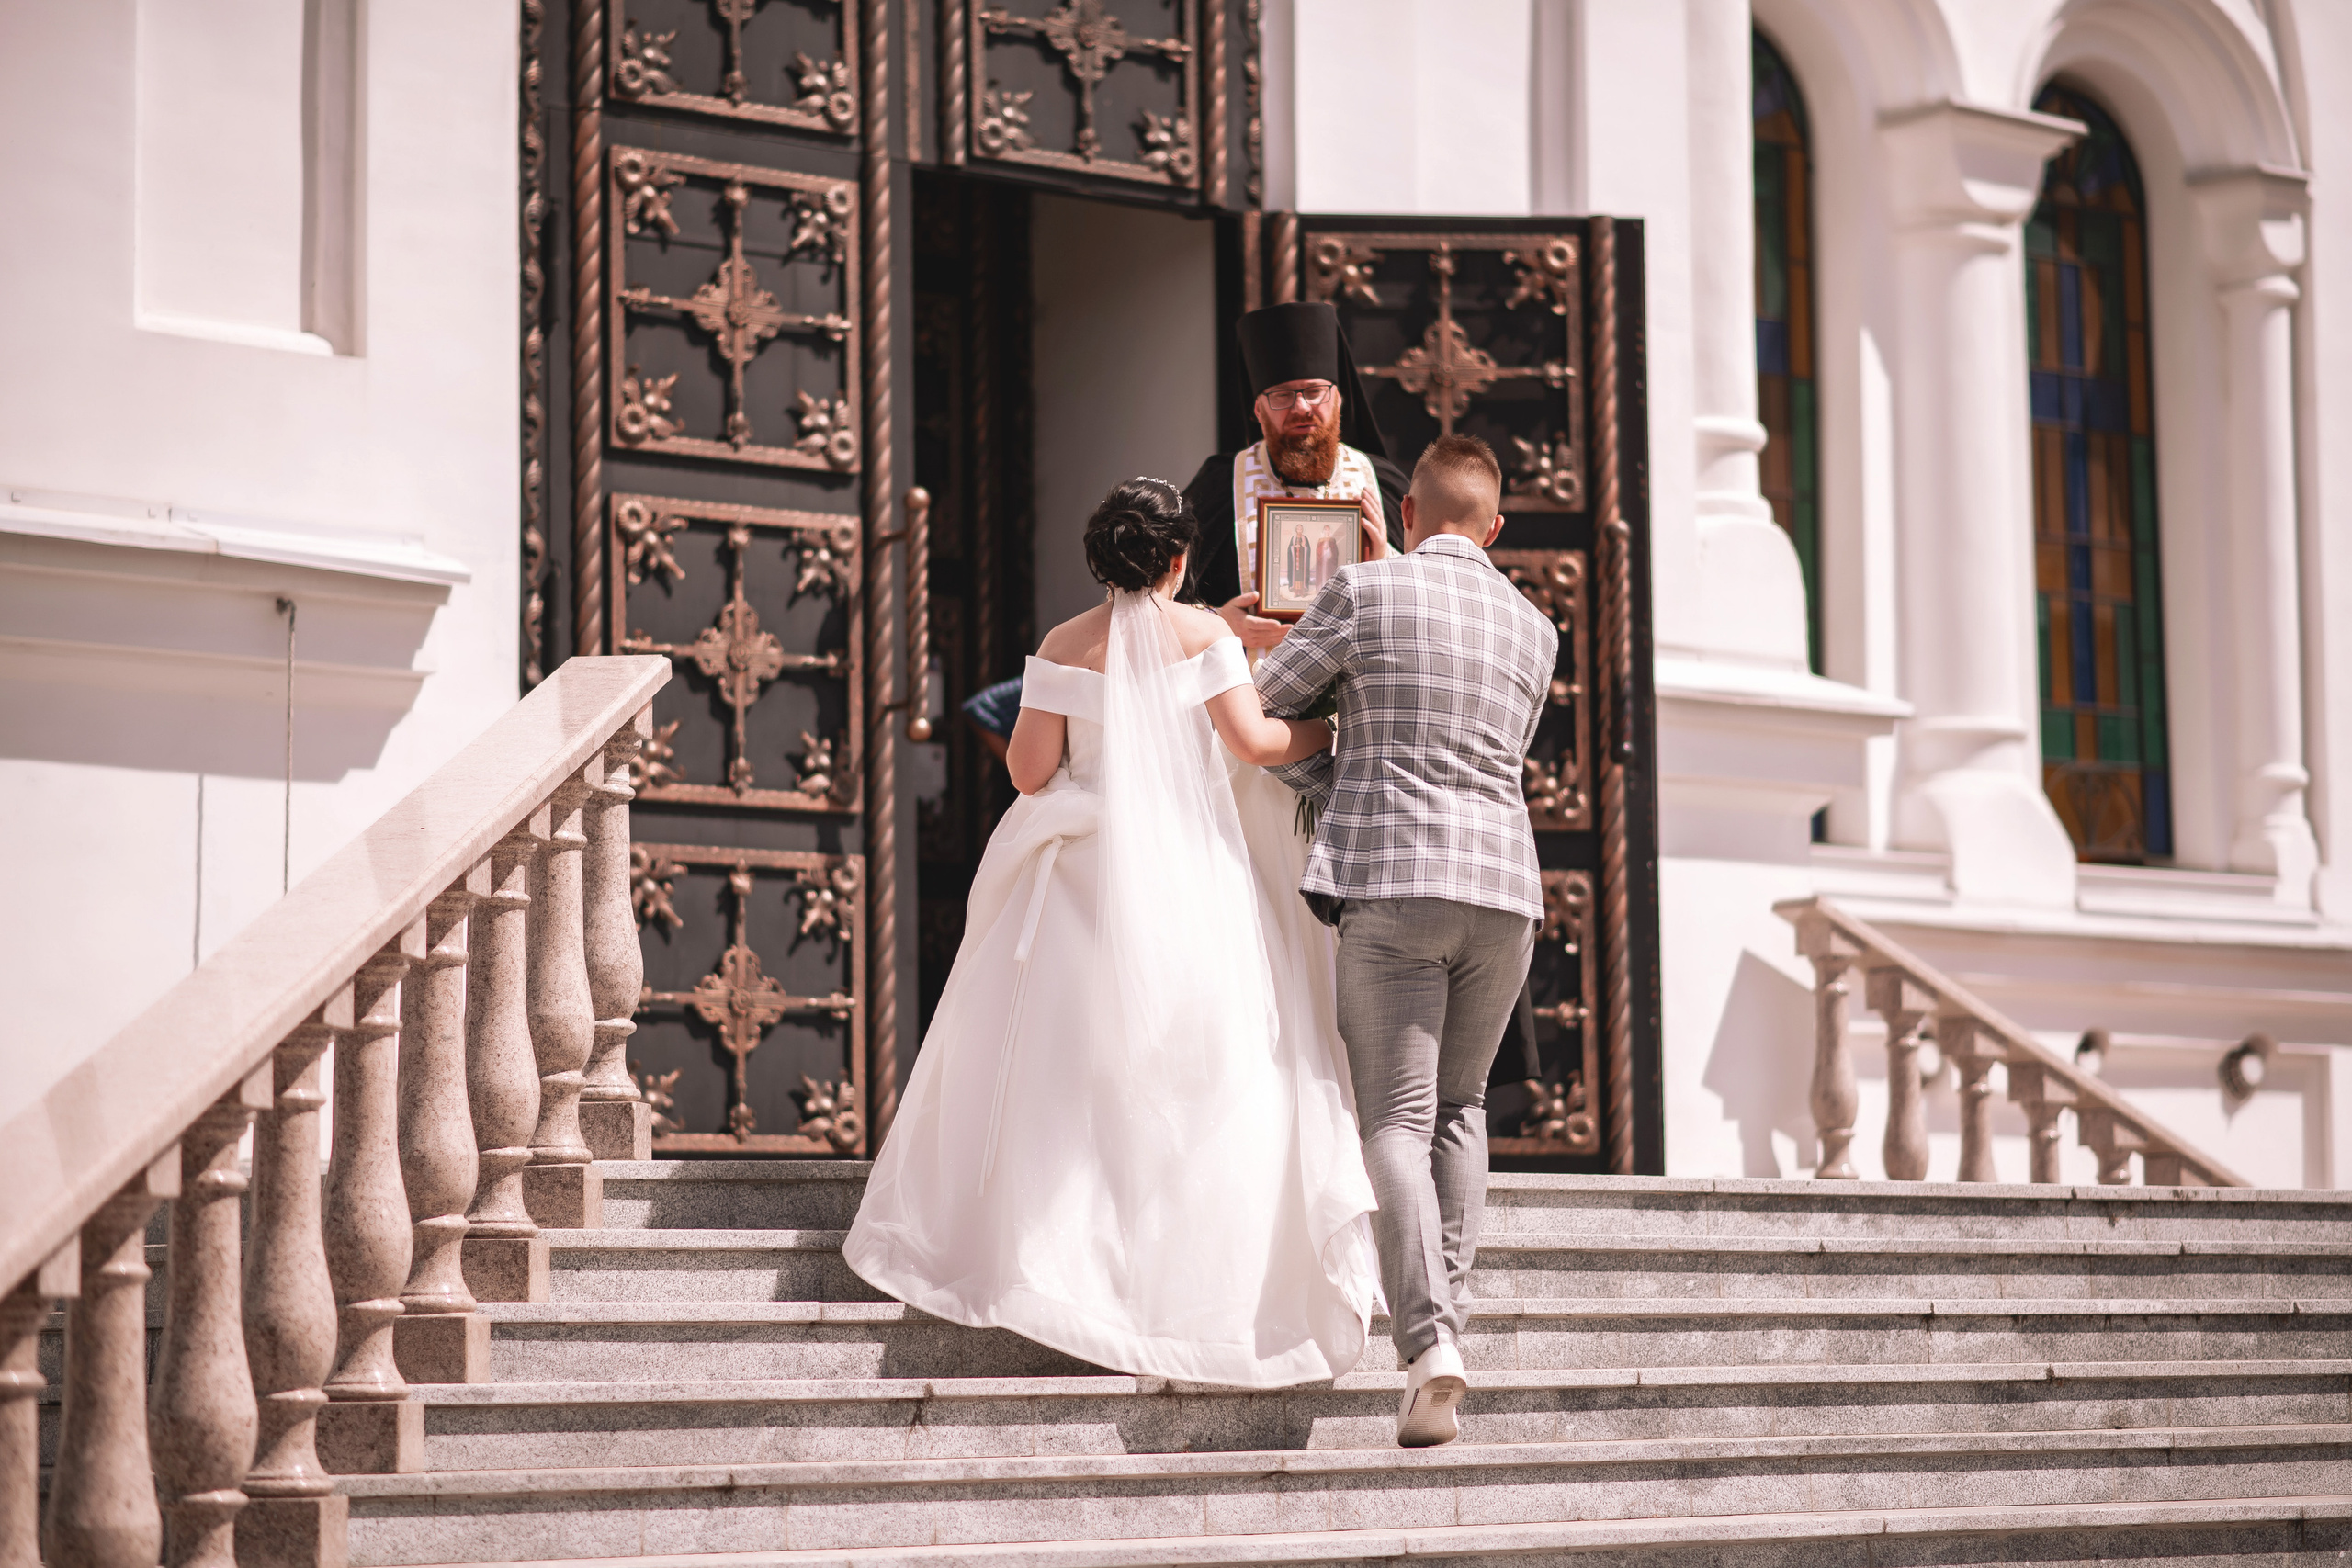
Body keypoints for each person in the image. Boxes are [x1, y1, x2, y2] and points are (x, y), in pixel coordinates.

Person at [844, 479, 1383, 1388]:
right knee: (1202, 1072)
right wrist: (1329, 727)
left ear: (1101, 562)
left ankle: (1063, 1268)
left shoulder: (1062, 643)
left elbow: (1027, 771)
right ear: (1178, 560)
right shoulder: (1204, 635)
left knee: (1069, 1080)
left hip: (1080, 879)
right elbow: (1253, 744)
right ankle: (1192, 1284)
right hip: (1190, 877)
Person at [1255, 434, 1558, 1448]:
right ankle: (1448, 1331)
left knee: (1391, 1119)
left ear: (1409, 514)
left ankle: (1429, 1344)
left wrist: (1331, 786)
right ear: (1496, 527)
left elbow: (1267, 702)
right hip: (1506, 892)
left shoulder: (1363, 591)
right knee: (1461, 1112)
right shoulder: (1537, 628)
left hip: (1393, 878)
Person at [1182, 301, 1407, 647]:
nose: (1301, 408)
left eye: (1315, 392)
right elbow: (1150, 603)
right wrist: (1220, 625)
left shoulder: (1382, 483)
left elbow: (1434, 604)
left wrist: (1383, 562)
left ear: (1339, 400)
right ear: (1258, 410)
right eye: (1282, 396)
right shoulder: (1218, 486)